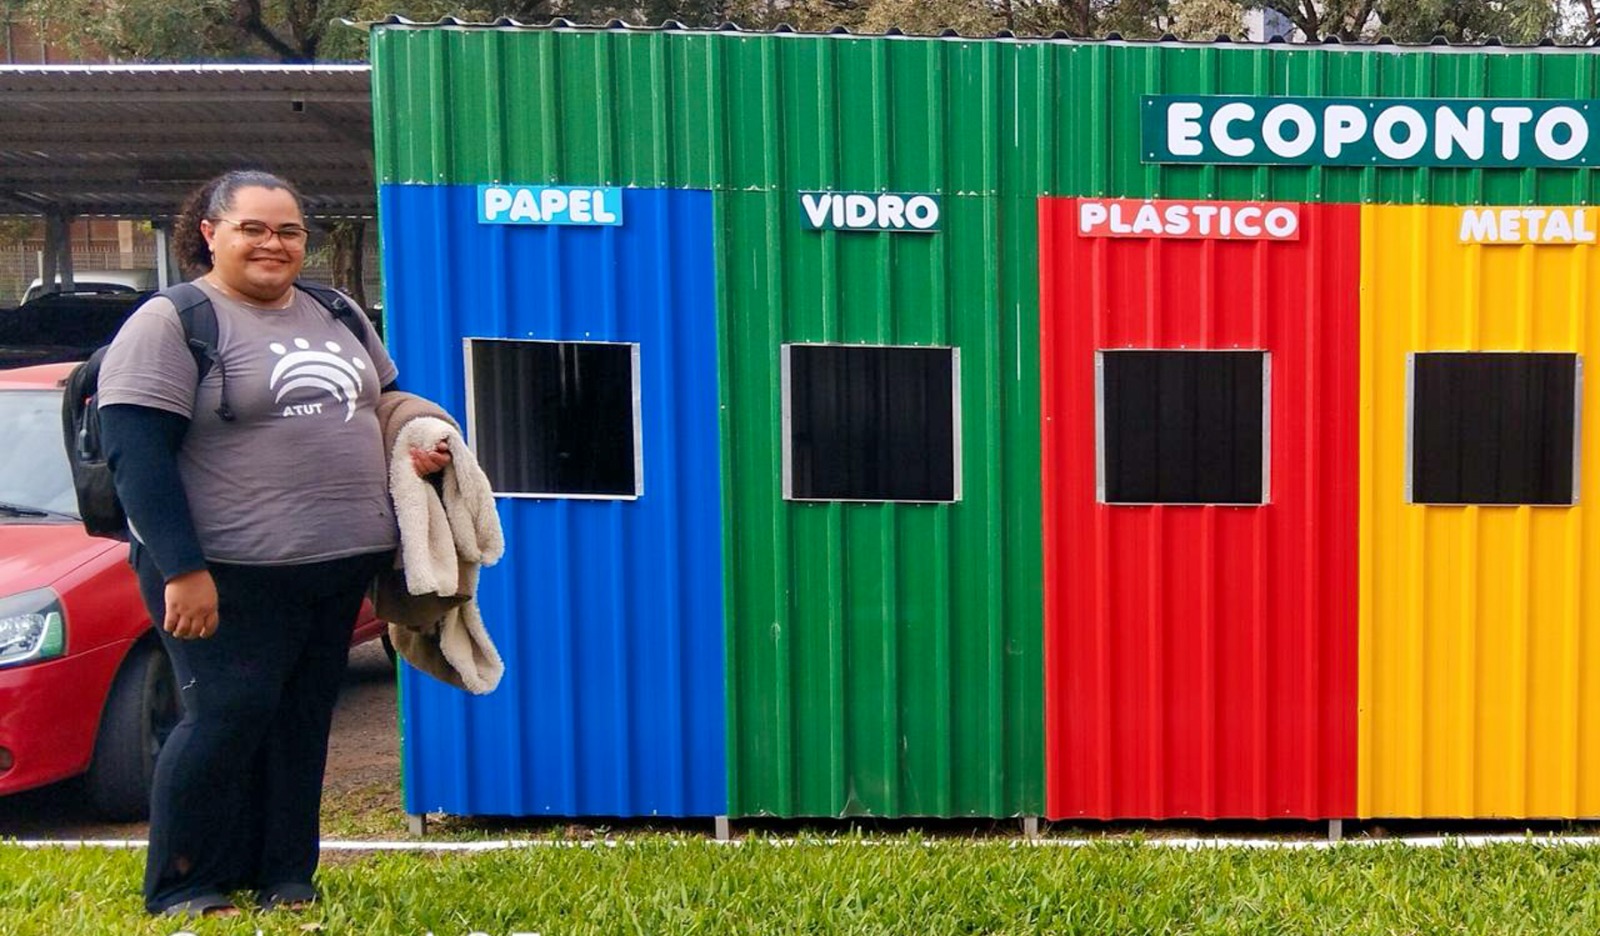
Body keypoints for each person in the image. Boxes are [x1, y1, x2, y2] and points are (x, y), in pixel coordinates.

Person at [97, 170, 447, 917]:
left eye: (287, 230)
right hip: (224, 569)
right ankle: (185, 883)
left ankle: (286, 874)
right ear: (210, 233)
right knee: (225, 719)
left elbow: (382, 401)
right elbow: (138, 454)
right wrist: (182, 569)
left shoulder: (335, 309)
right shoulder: (173, 321)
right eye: (252, 228)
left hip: (334, 564)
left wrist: (417, 441)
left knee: (299, 720)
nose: (273, 243)